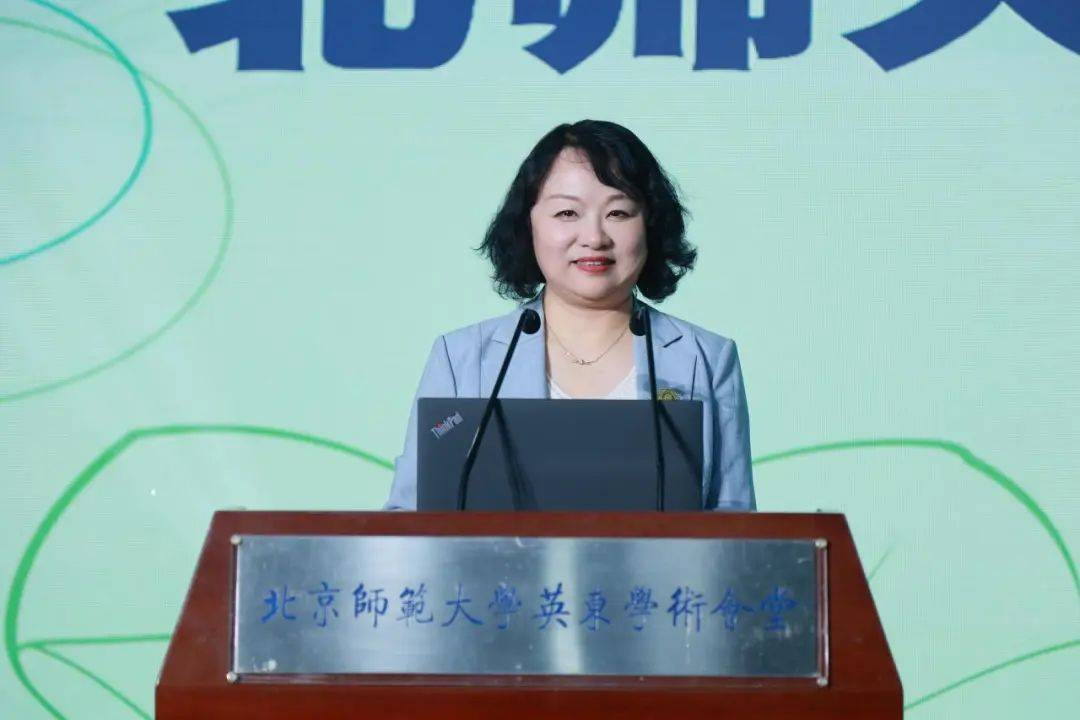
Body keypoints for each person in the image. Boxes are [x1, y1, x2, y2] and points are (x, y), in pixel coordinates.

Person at [384, 120, 754, 511]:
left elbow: (734, 522)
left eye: (618, 212)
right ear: (528, 224)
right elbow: (409, 517)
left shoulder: (707, 358)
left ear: (650, 224)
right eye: (567, 213)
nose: (594, 238)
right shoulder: (460, 360)